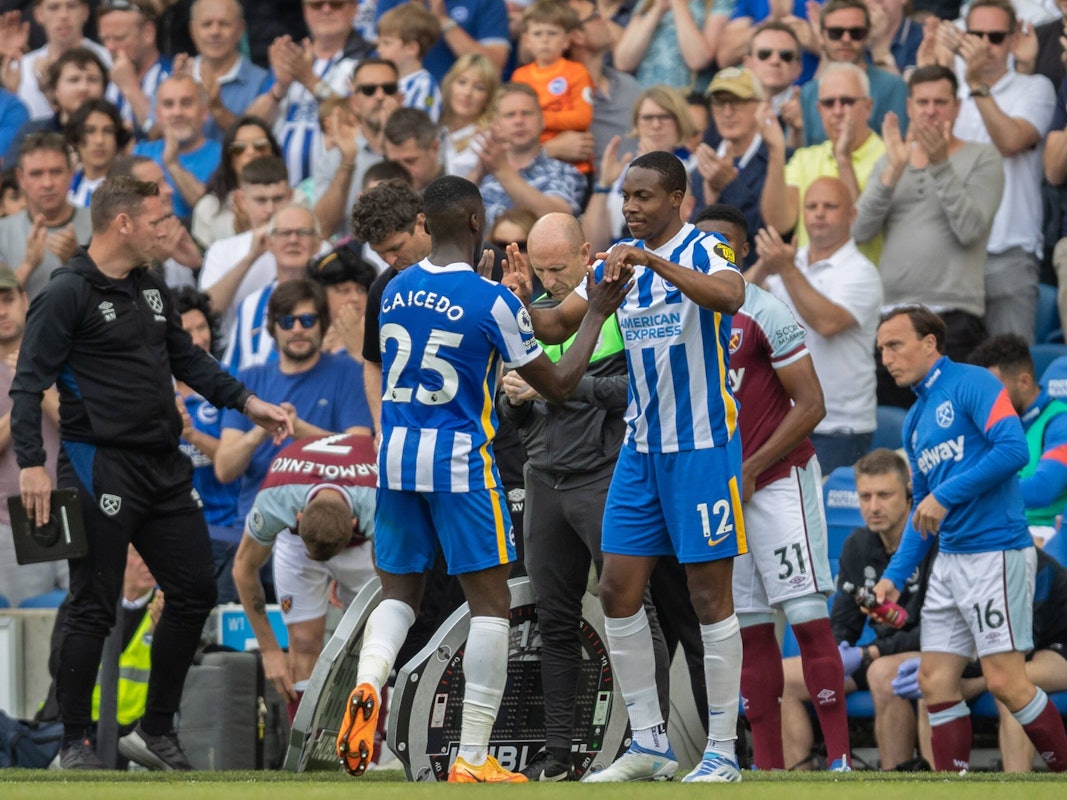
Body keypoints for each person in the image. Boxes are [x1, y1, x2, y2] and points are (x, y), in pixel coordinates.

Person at [332, 175, 628, 783]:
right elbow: (562, 380)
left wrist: (516, 302)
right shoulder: (490, 299)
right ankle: (471, 756)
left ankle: (368, 684)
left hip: (394, 455)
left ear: (423, 221)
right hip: (457, 459)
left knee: (399, 595)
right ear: (475, 224)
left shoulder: (392, 289)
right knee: (491, 608)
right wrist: (596, 310)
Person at [10, 175, 292, 770]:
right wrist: (33, 466)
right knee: (94, 602)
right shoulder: (65, 293)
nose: (165, 230)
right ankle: (74, 742)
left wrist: (248, 404)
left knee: (191, 592)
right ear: (122, 223)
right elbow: (28, 384)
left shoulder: (152, 287)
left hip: (163, 466)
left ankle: (156, 730)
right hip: (97, 465)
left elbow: (185, 357)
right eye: (157, 220)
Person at [510, 151, 747, 783]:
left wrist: (653, 262)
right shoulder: (615, 262)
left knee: (708, 596)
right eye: (626, 197)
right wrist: (512, 303)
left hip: (701, 445)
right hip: (641, 451)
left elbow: (730, 295)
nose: (632, 208)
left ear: (677, 199)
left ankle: (723, 750)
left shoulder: (704, 249)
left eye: (644, 197)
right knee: (617, 589)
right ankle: (649, 744)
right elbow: (558, 324)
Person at [495, 211, 670, 781]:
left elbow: (636, 389)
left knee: (635, 609)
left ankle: (654, 742)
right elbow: (511, 417)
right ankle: (557, 756)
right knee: (554, 622)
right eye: (540, 270)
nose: (549, 280)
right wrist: (516, 400)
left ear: (586, 254)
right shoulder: (537, 316)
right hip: (545, 480)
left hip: (605, 475)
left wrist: (561, 389)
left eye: (559, 267)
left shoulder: (615, 304)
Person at [872, 304, 1067, 772]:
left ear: (931, 344)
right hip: (951, 561)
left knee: (1005, 681)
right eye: (880, 350)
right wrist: (895, 576)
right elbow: (924, 513)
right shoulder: (914, 421)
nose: (887, 358)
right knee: (936, 681)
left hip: (995, 551)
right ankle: (957, 785)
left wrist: (945, 494)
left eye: (895, 345)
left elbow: (1014, 449)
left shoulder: (976, 383)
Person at [693, 203, 850, 771]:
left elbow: (812, 405)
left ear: (739, 252)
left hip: (778, 479)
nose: (711, 254)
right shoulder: (680, 316)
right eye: (701, 243)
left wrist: (754, 466)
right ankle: (769, 768)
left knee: (806, 614)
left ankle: (841, 761)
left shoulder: (765, 311)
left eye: (722, 245)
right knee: (750, 630)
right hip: (720, 492)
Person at [853, 64, 1003, 409]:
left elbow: (969, 230)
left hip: (955, 321)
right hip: (892, 321)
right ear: (909, 108)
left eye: (940, 101)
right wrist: (893, 169)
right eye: (923, 102)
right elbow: (859, 231)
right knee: (895, 432)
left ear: (957, 107)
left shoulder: (984, 157)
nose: (931, 110)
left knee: (954, 430)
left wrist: (938, 164)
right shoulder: (892, 159)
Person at [780, 448, 933, 771]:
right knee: (785, 677)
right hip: (873, 655)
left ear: (909, 494)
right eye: (865, 496)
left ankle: (897, 782)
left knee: (881, 672)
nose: (873, 507)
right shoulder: (858, 545)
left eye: (884, 495)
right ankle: (799, 784)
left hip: (928, 653)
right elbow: (843, 624)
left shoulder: (930, 540)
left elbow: (937, 629)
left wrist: (869, 654)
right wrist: (834, 653)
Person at [233, 433, 377, 720]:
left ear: (354, 523)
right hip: (298, 543)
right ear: (296, 518)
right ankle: (303, 748)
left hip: (360, 547)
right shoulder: (276, 498)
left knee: (372, 638)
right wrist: (270, 651)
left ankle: (369, 752)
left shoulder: (377, 501)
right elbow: (243, 568)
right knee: (302, 642)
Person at [217, 277, 372, 534]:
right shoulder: (249, 379)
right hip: (255, 523)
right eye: (287, 321)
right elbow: (224, 469)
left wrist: (296, 427)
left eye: (307, 320)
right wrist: (262, 429)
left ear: (322, 324)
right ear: (273, 328)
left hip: (324, 526)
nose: (297, 329)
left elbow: (360, 454)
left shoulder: (348, 372)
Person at [752, 177, 883, 473]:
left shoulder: (861, 272)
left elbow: (826, 323)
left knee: (823, 518)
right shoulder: (789, 261)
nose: (819, 213)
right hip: (782, 421)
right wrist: (764, 265)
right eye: (811, 206)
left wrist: (784, 268)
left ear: (851, 215)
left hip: (839, 426)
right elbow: (735, 305)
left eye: (830, 206)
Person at [943, 0, 1055, 342]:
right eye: (976, 35)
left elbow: (1010, 140)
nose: (985, 45)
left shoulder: (1035, 87)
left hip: (1010, 251)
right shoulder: (948, 95)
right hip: (953, 255)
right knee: (955, 380)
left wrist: (977, 85)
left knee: (1012, 376)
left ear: (1012, 40)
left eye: (994, 36)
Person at [759, 61, 886, 265]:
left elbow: (860, 231)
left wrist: (843, 158)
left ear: (868, 107)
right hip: (807, 285)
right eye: (829, 103)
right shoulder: (805, 158)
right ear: (819, 109)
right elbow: (779, 223)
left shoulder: (889, 157)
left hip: (862, 286)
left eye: (847, 101)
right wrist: (776, 150)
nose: (837, 111)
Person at [172, 287, 242, 605]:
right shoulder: (155, 388)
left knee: (222, 623)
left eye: (202, 328)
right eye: (187, 332)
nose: (199, 338)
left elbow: (233, 460)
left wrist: (191, 434)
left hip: (227, 530)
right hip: (176, 529)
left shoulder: (230, 383)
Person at [0, 262, 63, 608]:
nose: (1, 310)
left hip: (70, 510)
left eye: (7, 299)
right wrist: (25, 395)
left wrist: (35, 382)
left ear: (25, 300)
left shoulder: (57, 358)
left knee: (84, 625)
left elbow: (79, 426)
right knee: (26, 635)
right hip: (12, 523)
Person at [969, 334, 1067, 544]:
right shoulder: (988, 425)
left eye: (993, 390)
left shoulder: (1060, 423)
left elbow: (1043, 489)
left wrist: (968, 491)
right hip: (998, 532)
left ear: (1024, 382)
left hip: (1048, 535)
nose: (986, 400)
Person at [582, 84, 696, 252]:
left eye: (664, 117)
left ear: (679, 122)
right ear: (637, 124)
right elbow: (593, 246)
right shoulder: (625, 170)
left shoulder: (696, 165)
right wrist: (604, 185)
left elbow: (684, 216)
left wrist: (658, 168)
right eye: (647, 118)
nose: (656, 125)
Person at [221, 204, 327, 372]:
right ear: (270, 243)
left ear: (317, 244)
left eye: (303, 233)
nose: (293, 240)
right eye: (284, 233)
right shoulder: (251, 305)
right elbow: (231, 372)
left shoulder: (331, 301)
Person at [198, 155, 292, 333]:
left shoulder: (310, 244)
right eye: (261, 200)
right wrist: (249, 258)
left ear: (290, 196)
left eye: (278, 199)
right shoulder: (221, 250)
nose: (270, 209)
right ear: (241, 200)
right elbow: (208, 310)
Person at [472, 82, 586, 230]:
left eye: (526, 113)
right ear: (495, 124)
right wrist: (478, 172)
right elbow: (448, 216)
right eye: (510, 115)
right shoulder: (482, 173)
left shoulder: (564, 171)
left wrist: (502, 171)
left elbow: (559, 220)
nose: (519, 121)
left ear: (542, 120)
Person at [798, 0, 908, 147]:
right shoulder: (809, 92)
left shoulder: (893, 87)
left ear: (868, 35)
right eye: (835, 33)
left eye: (856, 33)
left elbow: (899, 150)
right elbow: (799, 154)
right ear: (822, 35)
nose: (846, 39)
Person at [310, 58, 398, 240]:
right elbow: (323, 229)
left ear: (400, 97)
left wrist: (391, 143)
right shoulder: (334, 158)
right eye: (369, 90)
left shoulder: (422, 148)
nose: (380, 96)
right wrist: (347, 163)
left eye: (388, 89)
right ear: (355, 103)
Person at [691, 67, 771, 266]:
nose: (727, 112)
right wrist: (711, 198)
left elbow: (770, 231)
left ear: (761, 106)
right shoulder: (699, 169)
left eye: (737, 102)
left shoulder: (779, 159)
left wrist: (730, 186)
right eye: (719, 103)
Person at [1, 132, 91, 300]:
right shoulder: (2, 232)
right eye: (36, 174)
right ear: (21, 178)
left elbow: (112, 301)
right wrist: (28, 264)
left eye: (56, 172)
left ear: (71, 173)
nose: (47, 183)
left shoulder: (98, 225)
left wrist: (77, 262)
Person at [511, 0, 594, 175]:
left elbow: (583, 117)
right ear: (527, 40)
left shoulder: (577, 72)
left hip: (574, 166)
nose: (545, 39)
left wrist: (537, 118)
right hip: (530, 162)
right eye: (538, 33)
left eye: (552, 33)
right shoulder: (520, 76)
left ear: (566, 41)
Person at [132, 74, 222, 222]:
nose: (177, 112)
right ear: (158, 114)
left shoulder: (223, 157)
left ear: (204, 112)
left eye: (186, 103)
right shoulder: (139, 154)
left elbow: (212, 214)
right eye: (168, 104)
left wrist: (172, 164)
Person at [183, 0, 272, 144]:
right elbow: (154, 136)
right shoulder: (175, 77)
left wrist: (218, 109)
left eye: (224, 24)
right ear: (193, 30)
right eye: (206, 24)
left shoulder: (263, 82)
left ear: (241, 29)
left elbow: (256, 145)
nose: (215, 32)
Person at [3, 47, 108, 167]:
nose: (83, 88)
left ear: (104, 88)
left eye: (92, 80)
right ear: (55, 89)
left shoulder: (116, 131)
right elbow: (10, 179)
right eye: (73, 80)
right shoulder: (31, 132)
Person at [191, 115, 282, 248]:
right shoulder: (208, 208)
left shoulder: (295, 200)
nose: (251, 152)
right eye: (238, 148)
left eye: (260, 146)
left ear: (273, 153)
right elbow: (204, 264)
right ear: (228, 159)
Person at [373, 0, 511, 81]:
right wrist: (415, 12)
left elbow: (493, 67)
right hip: (401, 93)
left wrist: (442, 20)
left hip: (463, 106)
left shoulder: (486, 2)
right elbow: (381, 54)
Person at [97, 0, 170, 139]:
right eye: (105, 39)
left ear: (148, 33)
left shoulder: (171, 75)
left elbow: (162, 134)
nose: (110, 47)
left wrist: (130, 87)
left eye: (119, 38)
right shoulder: (105, 79)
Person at [375, 1, 443, 122]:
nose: (379, 50)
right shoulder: (387, 83)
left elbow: (421, 133)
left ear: (411, 48)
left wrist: (395, 117)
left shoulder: (425, 86)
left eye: (386, 43)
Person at [742, 21, 805, 149]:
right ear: (748, 64)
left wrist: (797, 130)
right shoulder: (730, 105)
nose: (775, 61)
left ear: (798, 68)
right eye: (764, 54)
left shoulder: (815, 108)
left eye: (786, 56)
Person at [438, 54, 499, 181]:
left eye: (479, 87)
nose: (467, 93)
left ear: (488, 97)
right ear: (450, 85)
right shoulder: (434, 129)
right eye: (462, 82)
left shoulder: (487, 139)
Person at [65, 98, 130, 209]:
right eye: (90, 131)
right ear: (75, 137)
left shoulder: (130, 190)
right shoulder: (64, 188)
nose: (99, 140)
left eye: (108, 131)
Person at [382, 108, 446, 191]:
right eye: (394, 164)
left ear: (434, 148)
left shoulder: (458, 196)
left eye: (410, 161)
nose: (401, 173)